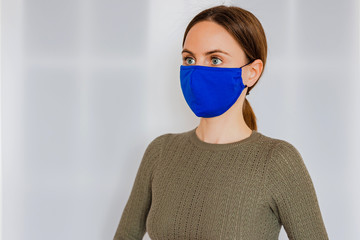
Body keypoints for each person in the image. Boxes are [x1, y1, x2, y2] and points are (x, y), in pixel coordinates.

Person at [113, 5, 329, 240]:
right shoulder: (161, 152)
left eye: (215, 60)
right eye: (189, 59)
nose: (196, 71)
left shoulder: (276, 161)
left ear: (252, 72)